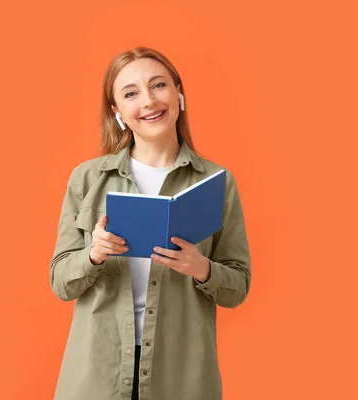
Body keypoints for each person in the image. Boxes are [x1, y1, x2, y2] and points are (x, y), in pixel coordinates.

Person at [49, 46, 251, 400]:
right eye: (131, 93)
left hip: (183, 378)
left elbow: (238, 286)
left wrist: (202, 268)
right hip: (98, 375)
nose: (148, 101)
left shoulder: (218, 182)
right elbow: (61, 282)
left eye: (158, 85)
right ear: (118, 112)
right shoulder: (86, 179)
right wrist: (93, 255)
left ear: (178, 93)